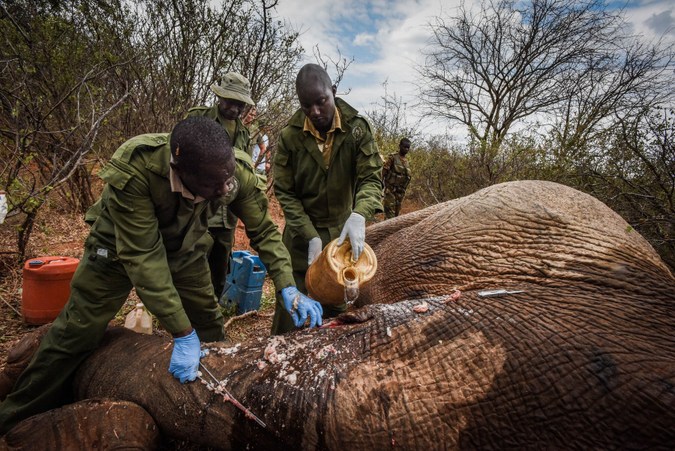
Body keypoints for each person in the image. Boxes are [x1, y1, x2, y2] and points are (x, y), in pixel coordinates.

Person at [0, 117, 322, 434]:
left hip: (185, 249)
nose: (226, 188)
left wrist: (287, 286)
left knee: (209, 325)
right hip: (116, 250)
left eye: (229, 179)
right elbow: (143, 257)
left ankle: (216, 415)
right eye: (216, 184)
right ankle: (14, 415)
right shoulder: (136, 170)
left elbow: (264, 231)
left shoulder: (228, 171)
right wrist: (181, 332)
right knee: (76, 333)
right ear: (181, 172)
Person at [272, 63, 383, 335]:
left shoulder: (357, 129)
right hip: (301, 237)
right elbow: (285, 192)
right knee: (292, 313)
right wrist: (309, 234)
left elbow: (371, 179)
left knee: (335, 316)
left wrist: (359, 214)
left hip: (341, 236)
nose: (315, 112)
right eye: (306, 106)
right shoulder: (290, 137)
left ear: (333, 91)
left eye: (321, 102)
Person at [185, 72, 253, 302]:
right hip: (200, 206)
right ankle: (189, 307)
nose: (234, 108)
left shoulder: (244, 132)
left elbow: (244, 171)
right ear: (220, 97)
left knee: (220, 263)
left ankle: (212, 307)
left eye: (240, 104)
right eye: (230, 101)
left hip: (227, 213)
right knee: (193, 260)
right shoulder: (199, 118)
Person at [382, 138, 412, 219]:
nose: (406, 149)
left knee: (396, 218)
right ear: (400, 146)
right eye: (404, 147)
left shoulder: (406, 162)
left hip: (400, 194)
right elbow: (384, 171)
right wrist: (380, 185)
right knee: (389, 217)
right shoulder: (393, 157)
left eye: (408, 148)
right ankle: (385, 231)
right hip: (390, 191)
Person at [243, 107, 270, 176]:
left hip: (247, 165)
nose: (252, 117)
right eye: (250, 115)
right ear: (244, 113)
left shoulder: (255, 130)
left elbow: (263, 148)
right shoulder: (235, 125)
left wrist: (255, 164)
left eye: (254, 116)